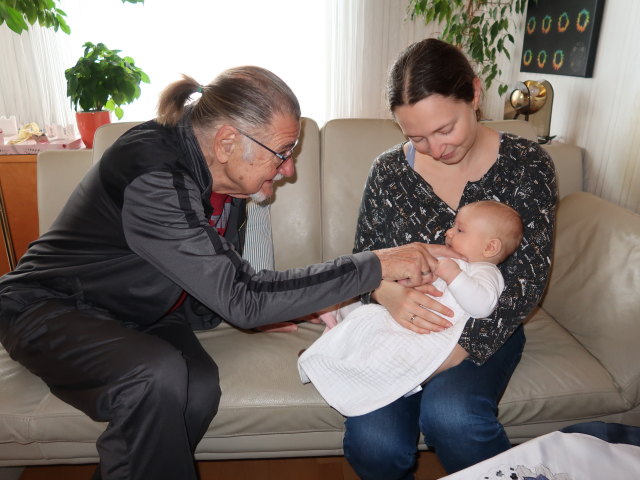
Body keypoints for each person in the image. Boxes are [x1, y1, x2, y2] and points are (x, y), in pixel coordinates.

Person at [0, 66, 451, 480]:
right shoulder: (152, 172)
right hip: (49, 307)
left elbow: (224, 283)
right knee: (153, 377)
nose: (289, 169)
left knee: (196, 389)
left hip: (141, 312)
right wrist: (376, 264)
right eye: (282, 153)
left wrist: (286, 304)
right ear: (227, 142)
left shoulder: (227, 183)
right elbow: (244, 295)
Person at [343, 38, 558, 477]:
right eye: (416, 137)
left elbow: (528, 280)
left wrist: (457, 353)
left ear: (475, 95)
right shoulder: (388, 172)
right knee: (373, 441)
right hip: (399, 330)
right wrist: (386, 294)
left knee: (453, 416)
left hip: (485, 324)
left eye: (445, 129)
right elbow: (364, 260)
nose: (436, 148)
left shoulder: (528, 164)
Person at [298, 200, 523, 417]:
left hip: (428, 333)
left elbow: (482, 306)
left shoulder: (486, 272)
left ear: (490, 247)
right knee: (365, 320)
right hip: (406, 315)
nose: (449, 232)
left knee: (381, 346)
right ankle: (324, 354)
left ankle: (332, 362)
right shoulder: (454, 261)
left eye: (460, 230)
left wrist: (451, 274)